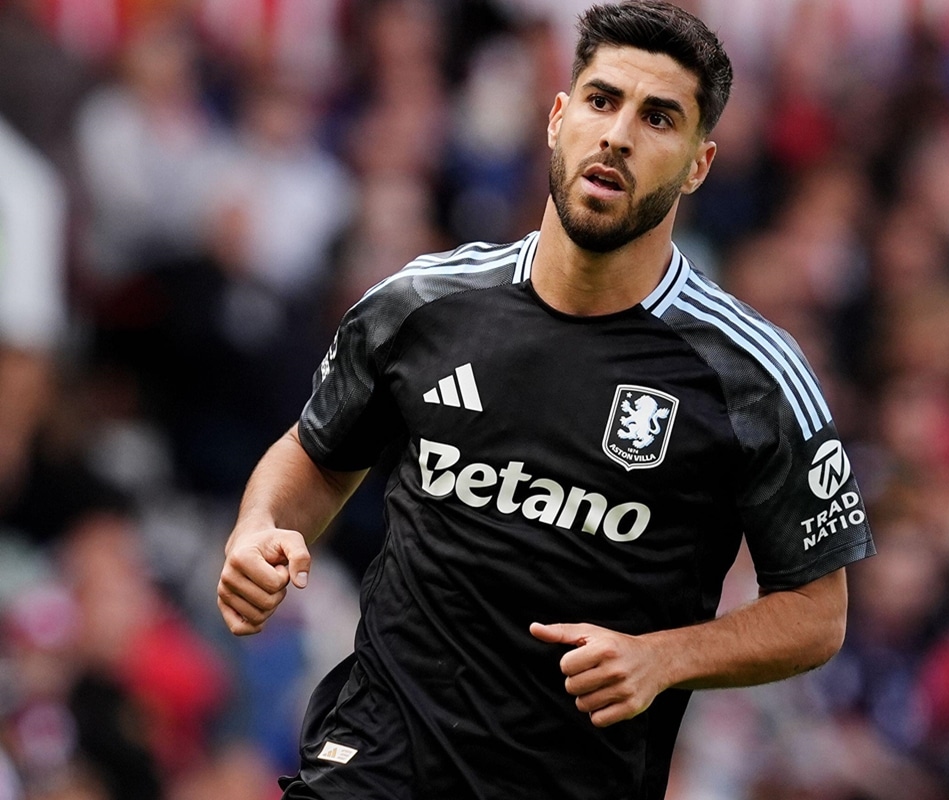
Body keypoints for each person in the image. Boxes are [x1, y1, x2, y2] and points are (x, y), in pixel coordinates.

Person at [215, 3, 875, 798]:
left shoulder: (751, 374)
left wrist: (664, 658)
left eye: (658, 118)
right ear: (559, 118)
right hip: (374, 763)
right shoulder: (422, 304)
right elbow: (317, 454)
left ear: (698, 165)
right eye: (602, 100)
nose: (619, 135)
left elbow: (816, 612)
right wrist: (261, 526)